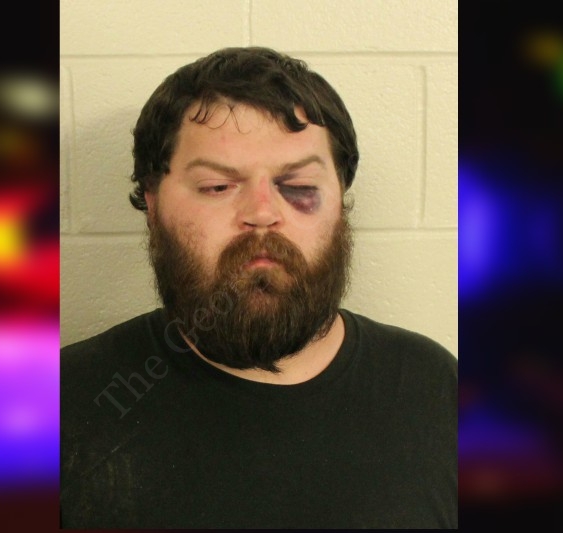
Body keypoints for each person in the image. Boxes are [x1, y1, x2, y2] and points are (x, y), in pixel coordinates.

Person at [60, 47, 457, 529]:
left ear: (340, 202)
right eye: (217, 186)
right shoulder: (62, 405)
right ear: (153, 203)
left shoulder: (435, 392)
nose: (263, 213)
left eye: (299, 184)